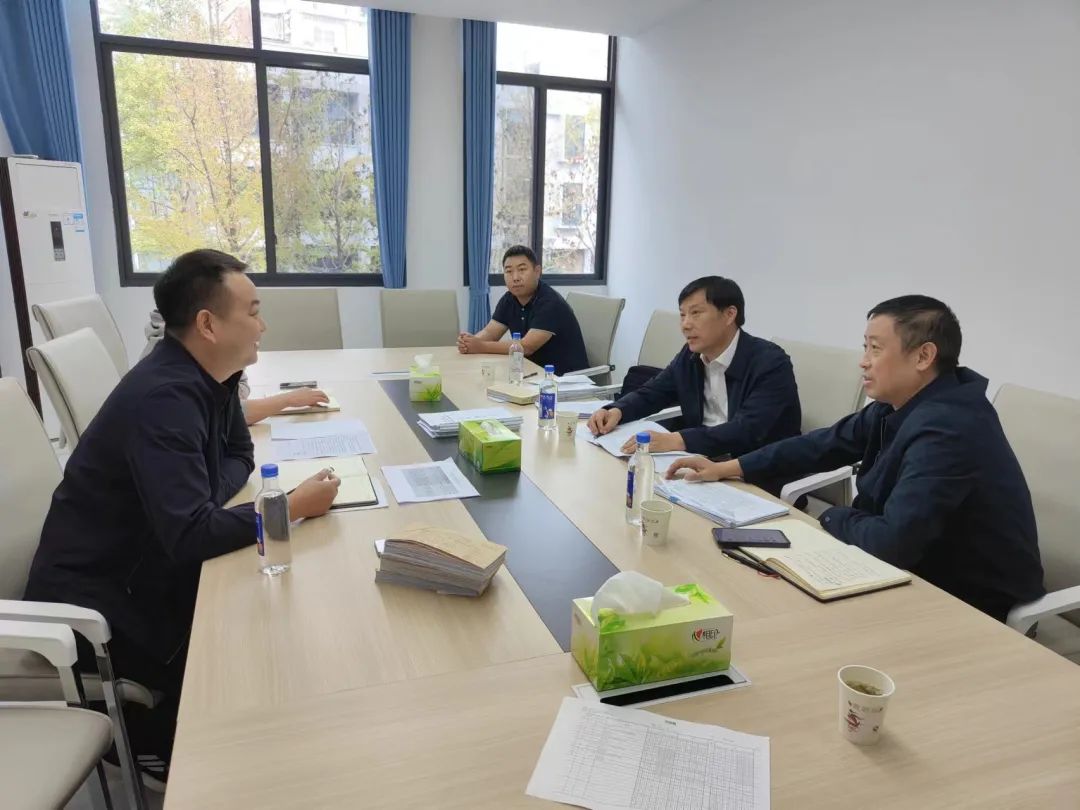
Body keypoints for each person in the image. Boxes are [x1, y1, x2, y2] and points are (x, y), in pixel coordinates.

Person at [24, 249, 341, 782]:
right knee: (257, 624)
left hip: (143, 563)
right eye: (253, 312)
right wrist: (287, 506)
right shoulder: (164, 397)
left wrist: (203, 498)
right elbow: (192, 533)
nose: (263, 326)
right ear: (208, 325)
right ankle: (156, 743)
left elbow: (239, 456)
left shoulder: (212, 376)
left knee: (270, 604)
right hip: (99, 606)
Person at [666, 295, 1045, 621]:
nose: (863, 361)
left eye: (875, 349)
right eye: (865, 347)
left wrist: (831, 517)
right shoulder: (900, 404)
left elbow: (891, 543)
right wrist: (728, 468)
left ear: (924, 356)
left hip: (965, 599)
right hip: (908, 569)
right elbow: (822, 444)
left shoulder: (950, 428)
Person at [587, 276, 801, 464]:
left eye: (696, 313)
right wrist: (617, 410)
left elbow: (748, 430)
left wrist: (676, 440)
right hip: (700, 459)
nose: (685, 325)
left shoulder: (770, 363)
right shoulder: (691, 356)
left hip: (754, 470)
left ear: (729, 315)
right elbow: (653, 392)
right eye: (682, 315)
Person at [142, 308, 330, 424]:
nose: (262, 326)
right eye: (252, 314)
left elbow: (237, 392)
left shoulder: (210, 346)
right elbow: (228, 414)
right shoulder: (171, 364)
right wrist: (288, 400)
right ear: (205, 322)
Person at [457, 245, 589, 375]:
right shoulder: (509, 299)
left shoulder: (550, 302)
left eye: (522, 269)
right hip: (531, 373)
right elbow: (490, 332)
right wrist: (469, 342)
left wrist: (480, 346)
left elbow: (527, 347)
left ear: (537, 271)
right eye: (509, 271)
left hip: (563, 379)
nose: (515, 277)